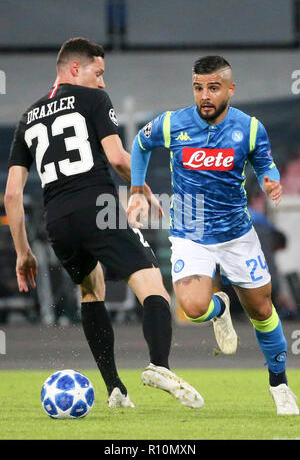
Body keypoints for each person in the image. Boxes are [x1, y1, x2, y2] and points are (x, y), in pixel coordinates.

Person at [4, 37, 203, 409]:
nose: (103, 82)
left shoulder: (27, 117)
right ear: (76, 69)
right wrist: (142, 188)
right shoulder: (92, 100)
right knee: (152, 283)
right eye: (99, 73)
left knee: (92, 291)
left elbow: (12, 195)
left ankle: (115, 389)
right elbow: (117, 158)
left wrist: (23, 253)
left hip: (58, 221)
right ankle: (159, 366)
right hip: (98, 207)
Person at [127, 55, 299, 415]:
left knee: (262, 310)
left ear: (230, 89)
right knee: (191, 307)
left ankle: (279, 384)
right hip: (190, 233)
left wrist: (270, 180)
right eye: (198, 87)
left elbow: (264, 161)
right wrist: (137, 186)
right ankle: (219, 306)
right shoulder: (173, 123)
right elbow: (141, 145)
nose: (204, 95)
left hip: (237, 234)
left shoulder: (250, 128)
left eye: (213, 88)